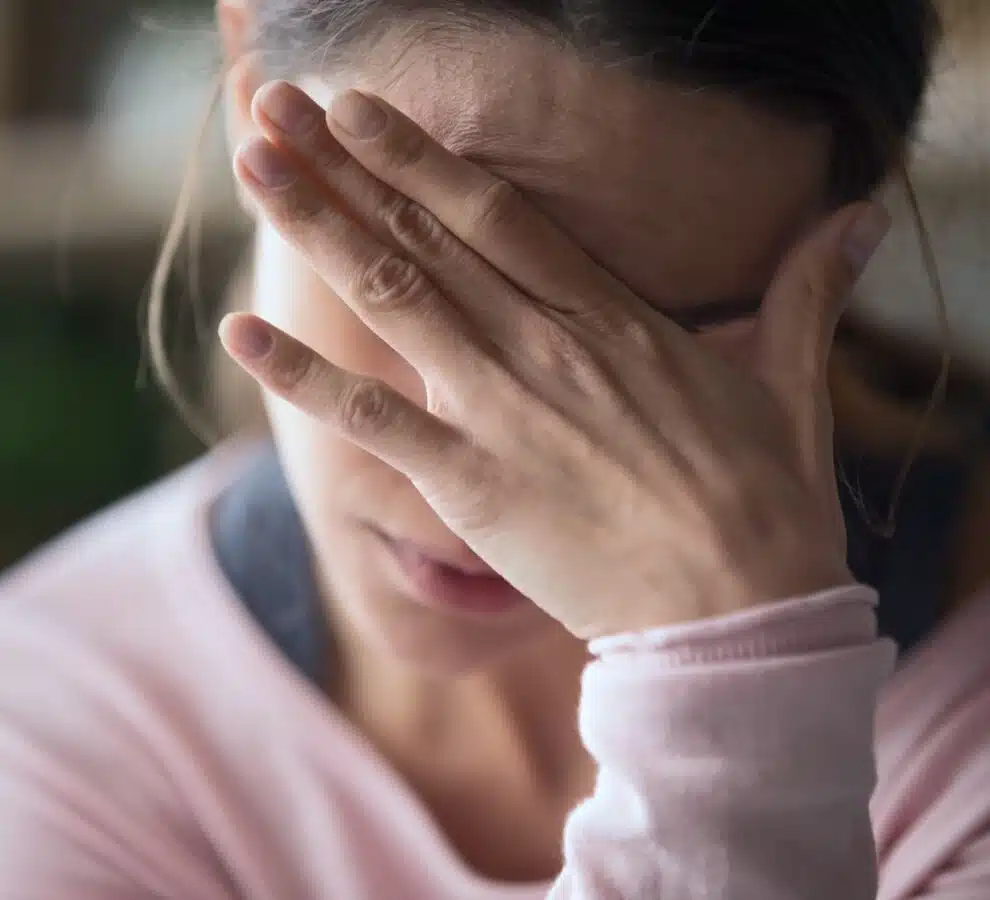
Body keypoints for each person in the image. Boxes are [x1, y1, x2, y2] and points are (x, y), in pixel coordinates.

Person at [1, 0, 988, 897]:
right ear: (251, 86)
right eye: (427, 277)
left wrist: (731, 669)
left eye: (657, 352)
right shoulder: (59, 721)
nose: (478, 480)